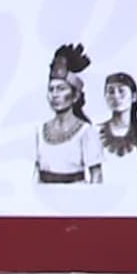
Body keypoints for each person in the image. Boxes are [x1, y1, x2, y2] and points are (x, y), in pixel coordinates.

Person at [34, 43, 95, 183]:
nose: (55, 95)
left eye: (61, 89)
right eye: (51, 89)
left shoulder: (86, 131)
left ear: (75, 96)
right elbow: (36, 172)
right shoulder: (40, 131)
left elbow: (96, 176)